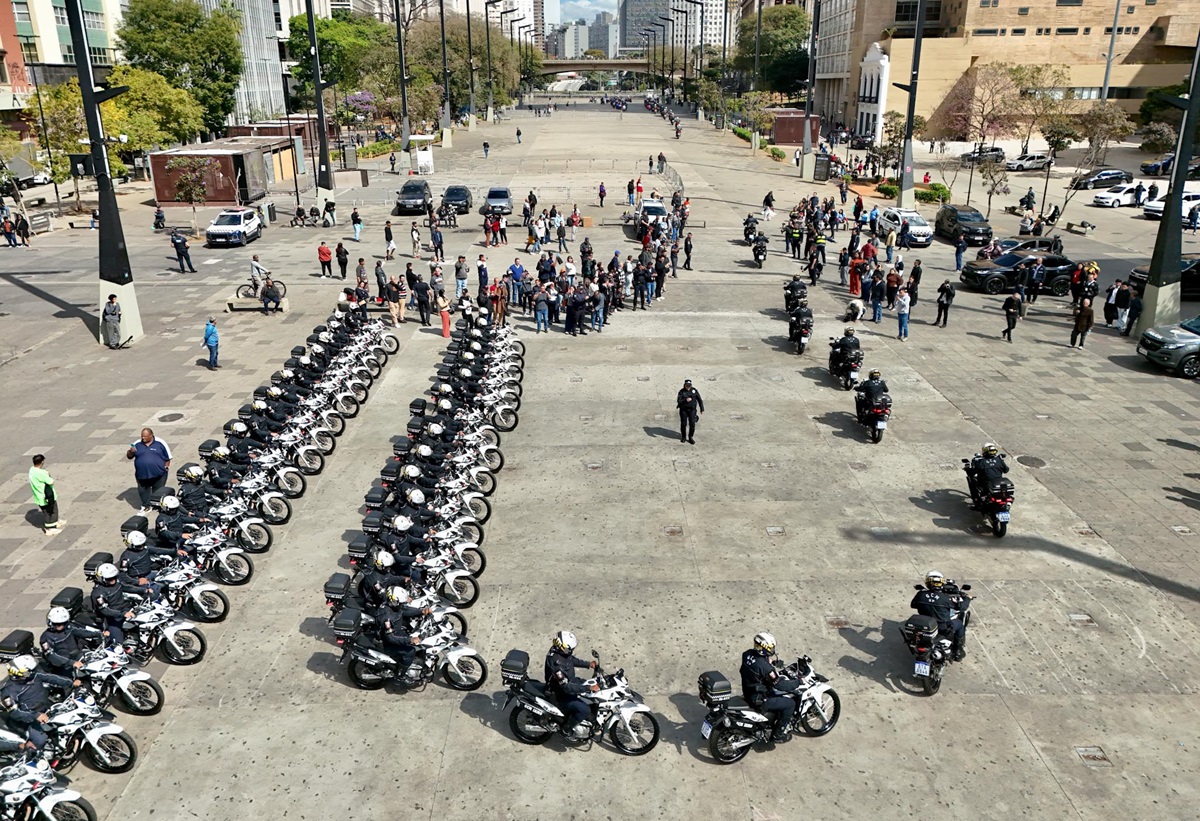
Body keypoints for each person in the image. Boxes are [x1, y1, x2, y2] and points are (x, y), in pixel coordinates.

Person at [0, 655, 75, 750]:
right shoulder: (8, 691)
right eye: (29, 671)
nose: (33, 672)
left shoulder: (33, 676)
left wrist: (71, 682)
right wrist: (35, 716)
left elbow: (51, 677)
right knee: (40, 740)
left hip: (47, 709)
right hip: (29, 721)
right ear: (19, 673)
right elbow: (15, 713)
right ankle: (34, 759)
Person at [739, 632, 795, 743]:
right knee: (790, 704)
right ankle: (778, 734)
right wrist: (798, 682)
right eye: (771, 647)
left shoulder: (746, 654)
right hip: (759, 699)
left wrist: (771, 663)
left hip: (748, 691)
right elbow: (780, 684)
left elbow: (757, 665)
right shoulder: (766, 668)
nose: (772, 649)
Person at [544, 631, 597, 738]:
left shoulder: (561, 652)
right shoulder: (556, 665)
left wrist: (588, 664)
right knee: (584, 709)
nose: (571, 651)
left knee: (592, 688)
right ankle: (567, 729)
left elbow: (570, 660)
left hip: (571, 681)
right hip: (560, 694)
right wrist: (588, 688)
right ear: (561, 646)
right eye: (569, 649)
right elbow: (566, 687)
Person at [911, 571, 967, 661]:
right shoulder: (945, 598)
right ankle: (958, 651)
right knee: (960, 624)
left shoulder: (920, 594)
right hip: (942, 627)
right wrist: (967, 598)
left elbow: (913, 605)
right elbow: (961, 607)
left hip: (925, 625)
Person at [89, 563, 144, 647]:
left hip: (124, 608)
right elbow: (106, 611)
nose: (113, 580)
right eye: (109, 579)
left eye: (114, 577)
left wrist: (144, 590)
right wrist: (123, 614)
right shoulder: (98, 593)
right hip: (111, 619)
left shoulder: (117, 582)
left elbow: (127, 587)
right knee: (118, 645)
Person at [40, 608, 102, 677]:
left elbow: (81, 632)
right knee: (70, 684)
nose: (61, 626)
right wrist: (71, 663)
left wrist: (99, 634)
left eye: (63, 623)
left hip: (77, 657)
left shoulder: (68, 628)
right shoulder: (46, 637)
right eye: (57, 624)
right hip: (62, 666)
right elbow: (52, 656)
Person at [127, 427, 171, 513]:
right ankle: (146, 506)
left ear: (151, 435)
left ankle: (158, 505)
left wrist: (166, 468)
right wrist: (131, 451)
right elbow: (129, 456)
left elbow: (168, 457)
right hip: (142, 474)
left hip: (159, 474)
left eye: (146, 436)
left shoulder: (160, 443)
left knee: (158, 491)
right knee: (143, 491)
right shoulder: (137, 444)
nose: (143, 438)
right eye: (142, 436)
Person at [28, 454, 61, 532]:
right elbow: (50, 482)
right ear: (42, 462)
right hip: (46, 496)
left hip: (38, 496)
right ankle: (51, 528)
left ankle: (54, 522)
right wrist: (48, 474)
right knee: (52, 510)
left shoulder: (32, 470)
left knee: (46, 511)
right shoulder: (41, 473)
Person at [676, 378, 705, 444]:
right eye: (687, 386)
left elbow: (699, 399)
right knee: (683, 424)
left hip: (692, 410)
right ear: (684, 385)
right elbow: (679, 401)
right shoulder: (681, 392)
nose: (688, 387)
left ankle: (690, 437)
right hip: (684, 410)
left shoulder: (694, 391)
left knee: (692, 424)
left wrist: (702, 408)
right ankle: (683, 436)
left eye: (689, 386)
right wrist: (685, 400)